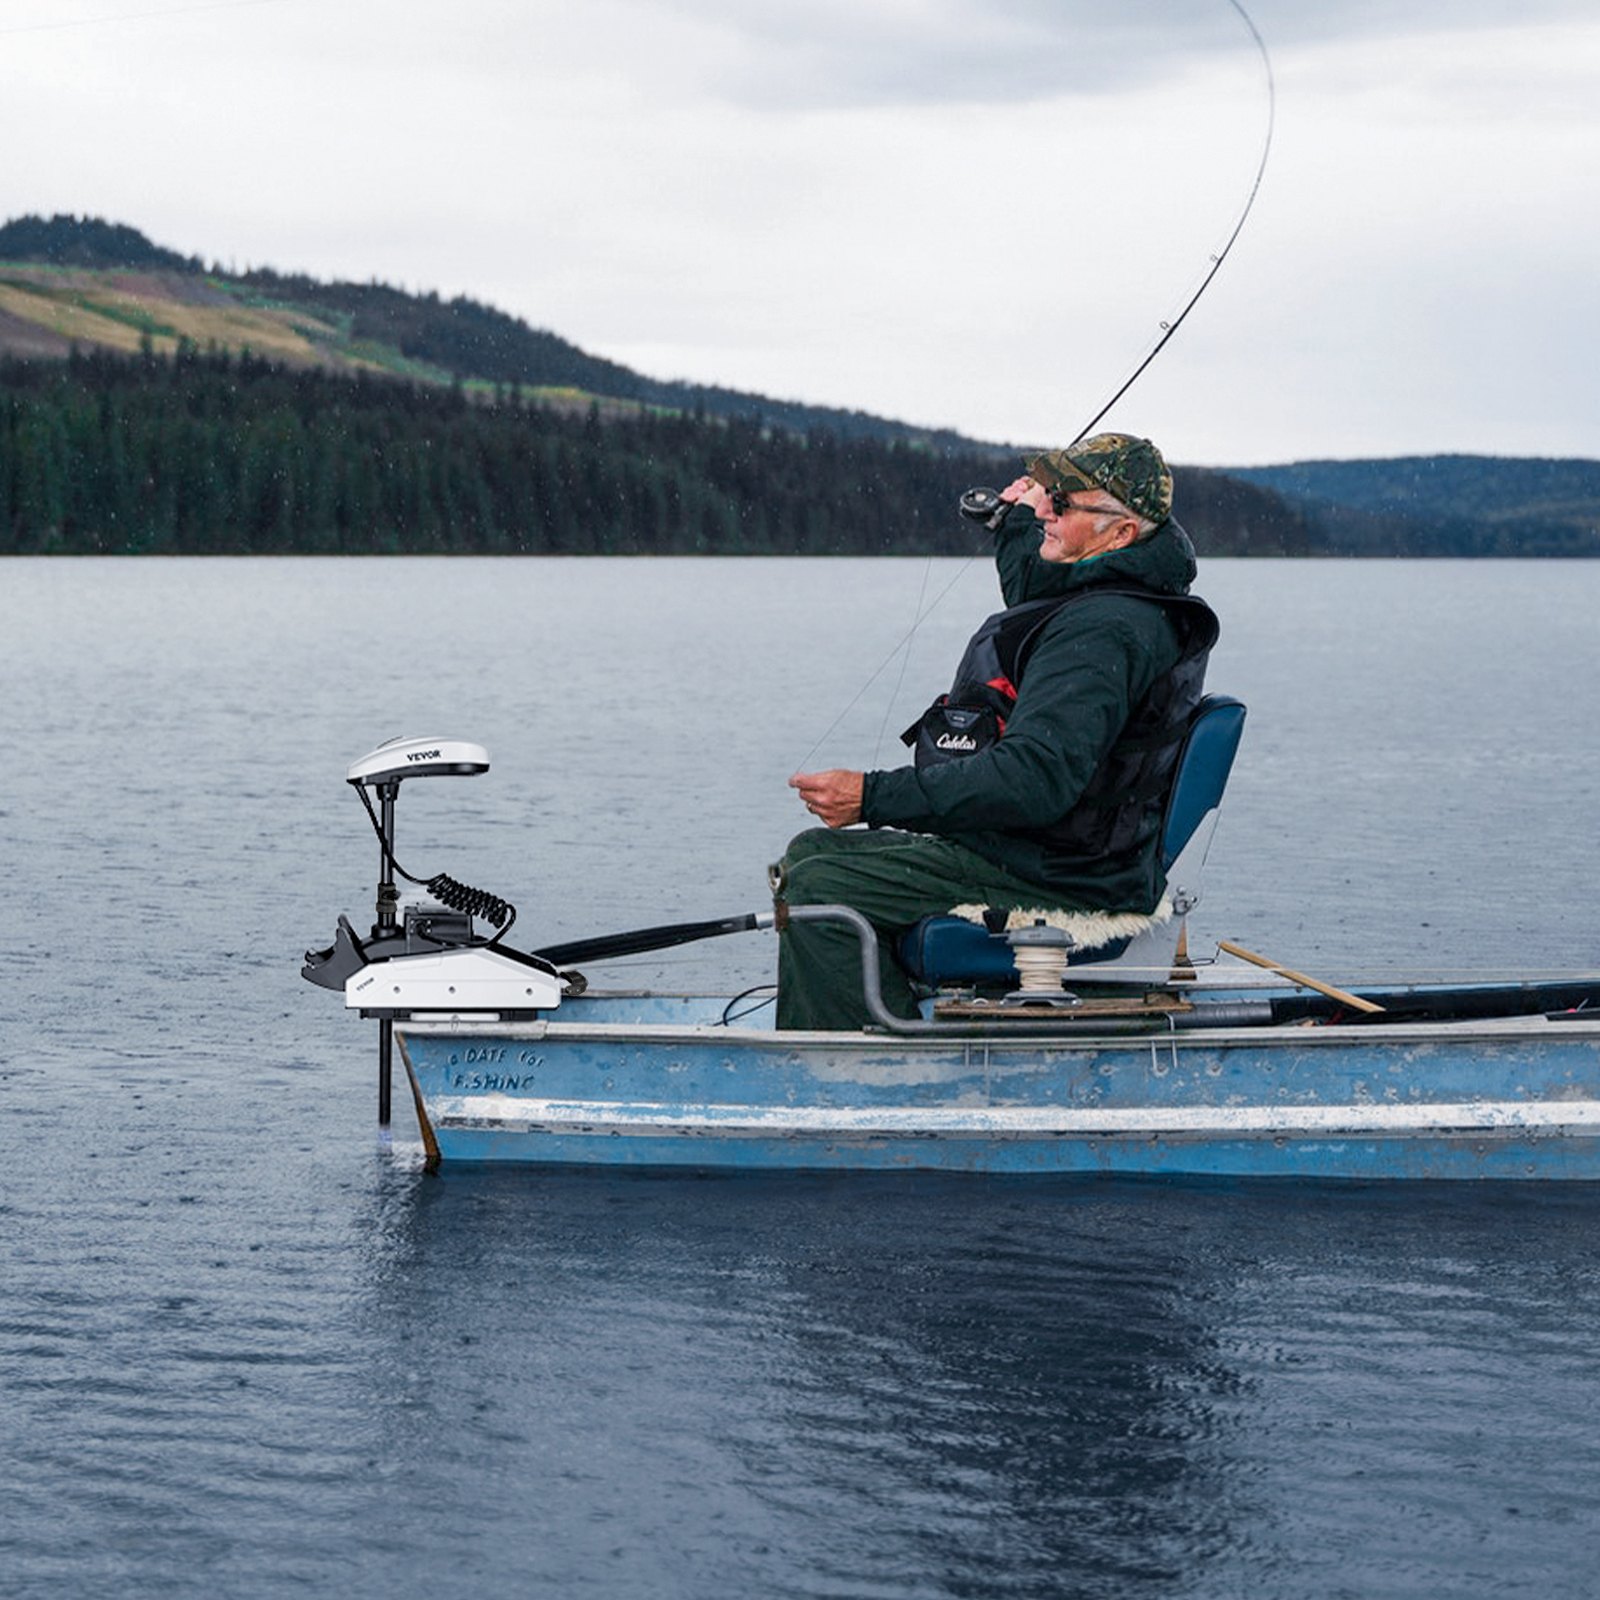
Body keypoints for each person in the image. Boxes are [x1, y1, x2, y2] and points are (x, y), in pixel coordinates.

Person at [772, 432, 1219, 1031]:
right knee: (808, 854)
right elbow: (1042, 599)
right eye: (1048, 496)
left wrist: (872, 796)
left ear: (1120, 533)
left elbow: (1033, 780)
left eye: (1062, 504)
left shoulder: (1102, 632)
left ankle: (863, 1068)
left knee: (822, 882)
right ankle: (887, 1021)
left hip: (1060, 872)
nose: (1044, 511)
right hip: (1065, 849)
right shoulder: (1123, 595)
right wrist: (1013, 527)